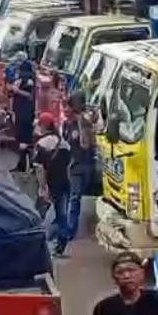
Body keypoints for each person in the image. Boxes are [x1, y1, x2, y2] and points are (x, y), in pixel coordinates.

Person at [32, 112, 73, 257]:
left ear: (43, 126)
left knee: (39, 215)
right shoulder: (64, 144)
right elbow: (68, 166)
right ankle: (61, 244)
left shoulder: (41, 144)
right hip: (64, 184)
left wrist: (43, 187)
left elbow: (39, 169)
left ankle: (38, 243)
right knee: (62, 215)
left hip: (50, 184)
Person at [63, 90, 97, 238]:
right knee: (74, 197)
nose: (65, 110)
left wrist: (83, 124)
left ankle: (70, 226)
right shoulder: (67, 125)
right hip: (73, 166)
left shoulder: (85, 123)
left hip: (85, 165)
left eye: (67, 107)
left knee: (75, 197)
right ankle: (70, 229)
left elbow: (85, 144)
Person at [10, 58, 37, 172]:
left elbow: (30, 96)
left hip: (25, 115)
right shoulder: (23, 79)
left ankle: (28, 165)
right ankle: (24, 164)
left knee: (24, 140)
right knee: (22, 140)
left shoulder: (29, 80)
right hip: (21, 113)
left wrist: (17, 90)